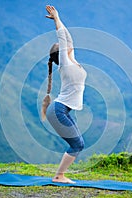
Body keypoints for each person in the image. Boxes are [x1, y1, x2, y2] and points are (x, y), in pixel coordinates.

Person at [41, 5, 87, 184]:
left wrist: (58, 20)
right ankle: (59, 176)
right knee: (77, 144)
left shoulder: (71, 59)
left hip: (62, 110)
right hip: (58, 110)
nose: (67, 45)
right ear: (60, 52)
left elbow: (67, 37)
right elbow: (62, 36)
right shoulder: (66, 65)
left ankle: (59, 175)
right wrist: (57, 19)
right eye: (63, 46)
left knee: (78, 144)